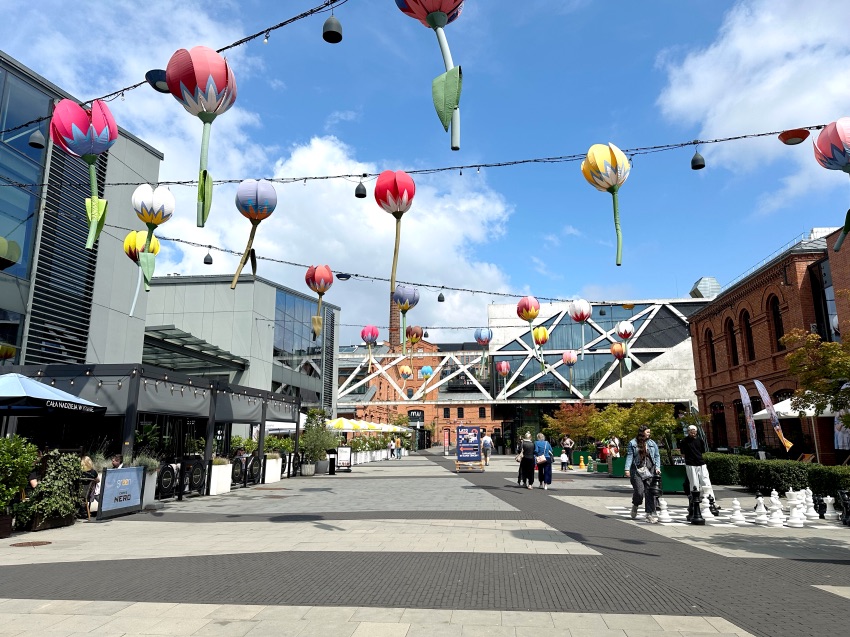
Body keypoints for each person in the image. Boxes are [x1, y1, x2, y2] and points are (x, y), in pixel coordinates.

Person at [624, 425, 662, 523]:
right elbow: (629, 456)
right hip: (637, 470)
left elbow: (657, 456)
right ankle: (636, 504)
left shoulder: (652, 443)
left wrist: (657, 468)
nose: (649, 434)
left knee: (649, 492)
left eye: (649, 432)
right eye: (648, 432)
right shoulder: (633, 443)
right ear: (642, 433)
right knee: (639, 491)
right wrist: (627, 469)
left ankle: (649, 514)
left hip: (650, 470)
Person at [680, 424, 716, 501]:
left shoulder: (700, 440)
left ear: (696, 432)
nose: (693, 434)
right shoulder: (684, 441)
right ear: (688, 432)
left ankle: (711, 500)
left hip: (701, 463)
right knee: (694, 483)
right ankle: (694, 500)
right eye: (691, 432)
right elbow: (683, 454)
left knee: (706, 481)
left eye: (694, 432)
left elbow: (702, 451)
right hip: (690, 464)